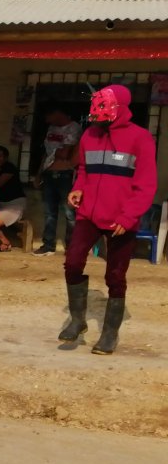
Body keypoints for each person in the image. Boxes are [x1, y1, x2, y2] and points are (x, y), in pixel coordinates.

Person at [59, 85, 157, 355]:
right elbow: (83, 169)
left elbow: (146, 184)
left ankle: (110, 333)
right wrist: (78, 188)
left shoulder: (141, 138)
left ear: (119, 107)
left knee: (115, 274)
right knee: (72, 262)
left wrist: (129, 215)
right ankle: (78, 320)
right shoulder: (89, 134)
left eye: (103, 105)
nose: (97, 111)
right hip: (89, 213)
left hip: (121, 218)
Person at [34, 104, 81, 255]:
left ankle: (71, 247)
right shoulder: (51, 129)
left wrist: (59, 153)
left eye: (48, 117)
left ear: (57, 113)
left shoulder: (74, 128)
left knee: (70, 213)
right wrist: (39, 174)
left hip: (65, 174)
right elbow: (48, 153)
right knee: (49, 213)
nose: (47, 121)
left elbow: (66, 153)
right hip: (48, 173)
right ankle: (48, 245)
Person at [0, 145, 26, 252]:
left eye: (0, 156)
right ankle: (5, 241)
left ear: (5, 158)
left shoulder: (9, 168)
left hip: (13, 205)